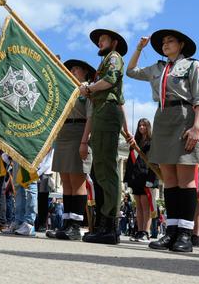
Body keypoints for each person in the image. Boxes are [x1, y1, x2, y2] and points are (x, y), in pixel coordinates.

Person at [127, 29, 199, 252]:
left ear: (181, 44)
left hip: (184, 117)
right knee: (169, 179)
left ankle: (185, 233)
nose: (165, 44)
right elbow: (131, 71)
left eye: (170, 41)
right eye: (163, 42)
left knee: (185, 179)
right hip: (162, 117)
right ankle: (171, 231)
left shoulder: (192, 65)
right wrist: (139, 48)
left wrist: (196, 128)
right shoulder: (158, 67)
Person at [80, 29, 134, 245]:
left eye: (103, 39)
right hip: (104, 111)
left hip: (106, 111)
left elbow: (111, 81)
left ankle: (109, 225)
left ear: (114, 42)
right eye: (99, 40)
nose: (99, 43)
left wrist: (89, 88)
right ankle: (105, 224)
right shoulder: (106, 61)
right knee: (101, 169)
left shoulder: (113, 58)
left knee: (106, 170)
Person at [47, 59, 96, 240]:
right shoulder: (66, 90)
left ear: (85, 72)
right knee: (66, 180)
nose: (73, 71)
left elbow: (91, 117)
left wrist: (84, 142)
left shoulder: (88, 90)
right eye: (71, 69)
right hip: (63, 134)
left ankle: (75, 225)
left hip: (79, 131)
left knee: (77, 181)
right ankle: (66, 224)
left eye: (76, 69)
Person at [123, 118, 157, 242]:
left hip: (147, 177)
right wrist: (126, 179)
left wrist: (152, 179)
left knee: (145, 205)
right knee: (138, 206)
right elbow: (130, 162)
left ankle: (145, 232)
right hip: (136, 177)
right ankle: (139, 231)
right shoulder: (135, 142)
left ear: (148, 127)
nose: (141, 127)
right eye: (139, 125)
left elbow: (154, 162)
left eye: (144, 125)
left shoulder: (152, 142)